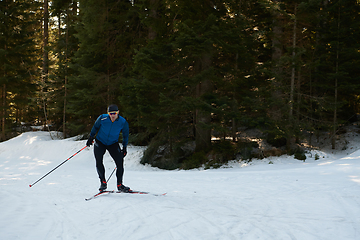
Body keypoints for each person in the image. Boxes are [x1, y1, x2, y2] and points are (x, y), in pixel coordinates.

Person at [86, 104, 130, 192]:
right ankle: (103, 182)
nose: (113, 115)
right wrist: (91, 138)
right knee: (99, 161)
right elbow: (95, 127)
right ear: (108, 113)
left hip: (112, 143)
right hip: (100, 142)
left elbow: (125, 135)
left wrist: (124, 148)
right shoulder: (102, 118)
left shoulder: (123, 122)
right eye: (111, 113)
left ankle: (120, 185)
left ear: (118, 112)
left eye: (115, 113)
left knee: (120, 162)